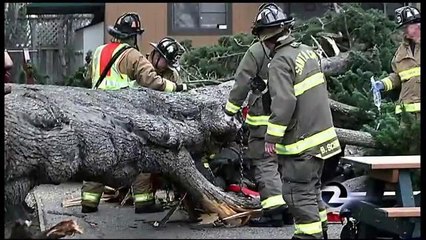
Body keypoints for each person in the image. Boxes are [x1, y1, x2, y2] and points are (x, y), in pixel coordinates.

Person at [81, 12, 188, 214]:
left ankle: (89, 201)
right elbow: (152, 81)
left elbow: (90, 77)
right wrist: (176, 88)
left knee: (98, 156)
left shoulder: (98, 52)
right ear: (133, 36)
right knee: (141, 152)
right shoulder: (132, 55)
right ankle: (144, 201)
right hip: (122, 116)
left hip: (96, 112)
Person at [252, 4, 342, 239]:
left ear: (267, 38)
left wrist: (271, 137)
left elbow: (285, 102)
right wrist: (267, 91)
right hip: (322, 141)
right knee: (312, 191)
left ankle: (307, 236)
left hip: (301, 145)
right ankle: (320, 232)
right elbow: (302, 93)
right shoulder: (307, 51)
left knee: (297, 194)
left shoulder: (280, 62)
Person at [224, 3, 291, 227]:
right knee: (288, 164)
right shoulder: (295, 51)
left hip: (264, 120)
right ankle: (290, 207)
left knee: (265, 164)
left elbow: (242, 81)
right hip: (290, 119)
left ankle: (274, 212)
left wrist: (230, 110)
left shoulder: (256, 51)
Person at [131, 36, 186, 213]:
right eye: (162, 60)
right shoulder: (141, 67)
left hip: (164, 123)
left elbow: (179, 98)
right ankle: (143, 201)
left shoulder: (172, 73)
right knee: (144, 160)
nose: (163, 65)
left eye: (167, 63)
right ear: (155, 55)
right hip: (139, 120)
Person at [372, 6, 420, 119]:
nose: (404, 32)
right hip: (407, 114)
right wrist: (383, 84)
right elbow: (398, 75)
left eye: (406, 27)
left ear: (417, 25)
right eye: (402, 28)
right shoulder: (401, 51)